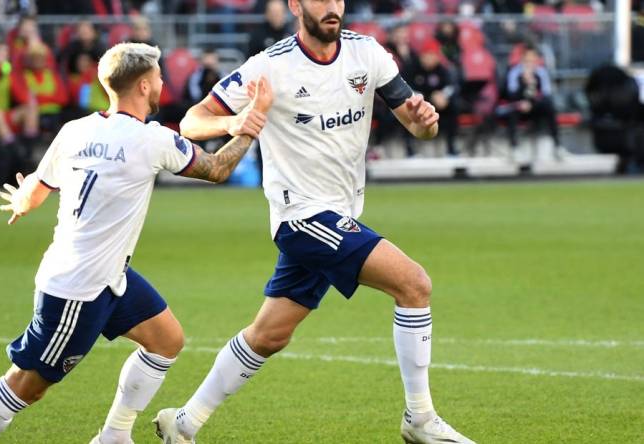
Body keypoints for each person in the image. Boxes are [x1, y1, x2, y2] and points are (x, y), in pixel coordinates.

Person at [154, 1, 474, 443]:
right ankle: (419, 419)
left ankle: (183, 423)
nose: (332, 7)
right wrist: (239, 120)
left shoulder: (369, 55)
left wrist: (425, 125)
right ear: (295, 5)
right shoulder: (270, 66)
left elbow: (417, 126)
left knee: (269, 335)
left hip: (338, 214)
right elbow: (192, 121)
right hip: (301, 216)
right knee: (414, 284)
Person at [0, 42, 272, 444]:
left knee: (166, 340)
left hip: (108, 274)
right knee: (25, 385)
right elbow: (218, 168)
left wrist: (22, 201)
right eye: (158, 76)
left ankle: (114, 435)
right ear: (146, 87)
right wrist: (252, 125)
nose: (163, 81)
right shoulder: (151, 139)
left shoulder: (75, 130)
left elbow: (33, 193)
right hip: (78, 289)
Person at [504, 45, 565, 158]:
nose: (530, 63)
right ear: (522, 59)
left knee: (549, 107)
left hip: (536, 106)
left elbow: (546, 94)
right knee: (512, 113)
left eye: (533, 59)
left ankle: (557, 146)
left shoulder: (541, 72)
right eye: (527, 60)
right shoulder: (514, 72)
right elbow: (511, 94)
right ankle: (514, 148)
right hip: (520, 106)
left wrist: (532, 100)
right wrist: (524, 83)